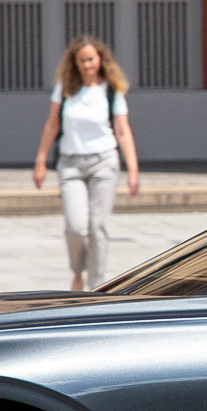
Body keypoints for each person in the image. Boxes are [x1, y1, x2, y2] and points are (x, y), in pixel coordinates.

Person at [31, 35, 141, 291]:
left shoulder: (111, 90)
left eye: (90, 59)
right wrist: (40, 161)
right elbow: (52, 124)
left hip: (104, 162)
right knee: (76, 226)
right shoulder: (66, 88)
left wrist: (133, 170)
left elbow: (123, 131)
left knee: (98, 227)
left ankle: (96, 287)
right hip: (70, 163)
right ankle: (77, 271)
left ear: (100, 59)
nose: (87, 65)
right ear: (74, 62)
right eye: (81, 60)